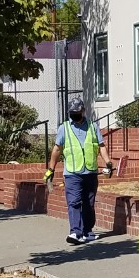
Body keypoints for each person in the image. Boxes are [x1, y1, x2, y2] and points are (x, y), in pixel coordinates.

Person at [44, 98, 114, 245]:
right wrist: (51, 169)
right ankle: (76, 232)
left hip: (90, 172)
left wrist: (108, 162)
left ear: (83, 111)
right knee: (74, 202)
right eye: (72, 113)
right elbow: (57, 149)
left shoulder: (92, 126)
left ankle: (87, 231)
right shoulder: (64, 128)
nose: (74, 115)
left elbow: (101, 146)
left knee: (89, 203)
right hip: (72, 173)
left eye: (77, 112)